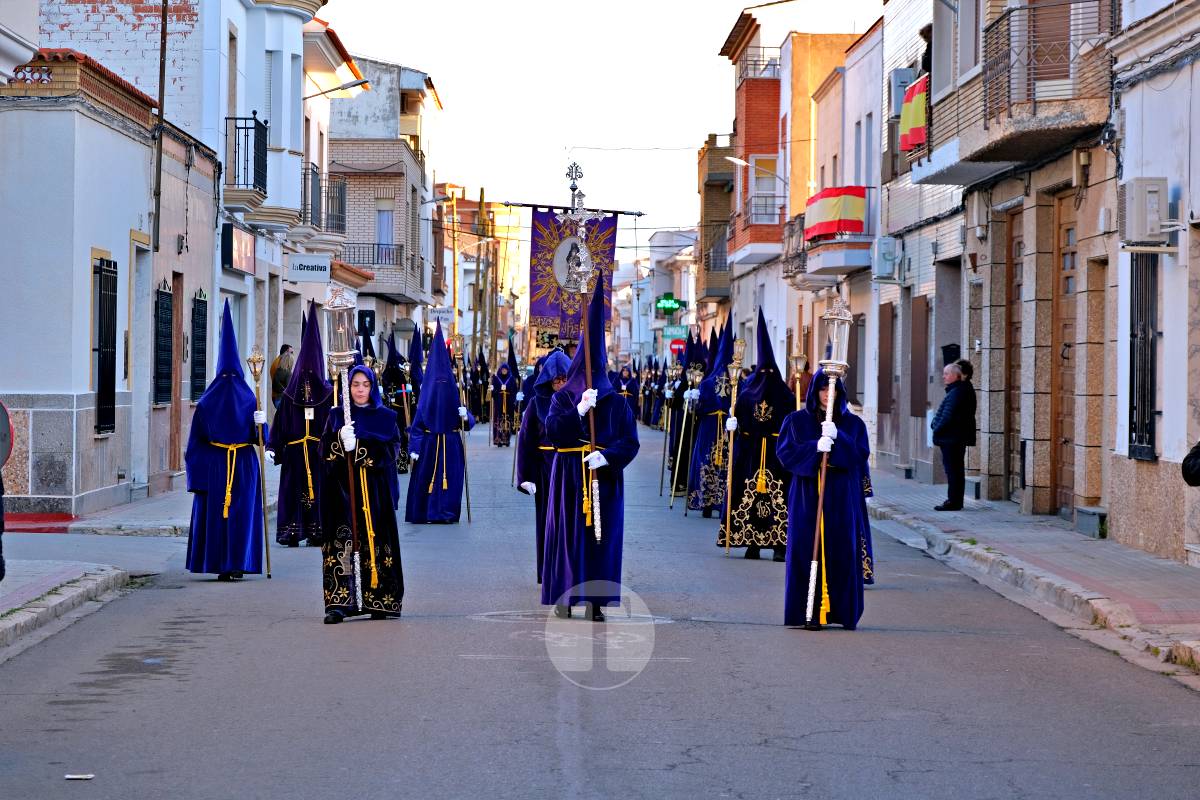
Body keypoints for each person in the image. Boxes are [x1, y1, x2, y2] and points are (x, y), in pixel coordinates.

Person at [542, 280, 640, 621]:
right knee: (569, 539)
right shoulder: (563, 398)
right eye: (587, 372)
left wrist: (608, 456)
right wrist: (578, 412)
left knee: (601, 539)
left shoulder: (616, 403)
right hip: (569, 475)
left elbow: (630, 442)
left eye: (597, 372)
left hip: (604, 478)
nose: (592, 379)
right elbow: (554, 434)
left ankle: (597, 602)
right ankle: (565, 596)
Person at [777, 369, 871, 629]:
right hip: (808, 492)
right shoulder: (796, 421)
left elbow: (860, 456)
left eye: (834, 390)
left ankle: (839, 610)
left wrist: (840, 439)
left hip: (840, 492)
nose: (829, 394)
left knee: (840, 547)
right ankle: (808, 612)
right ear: (814, 391)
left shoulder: (853, 424)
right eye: (823, 389)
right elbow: (785, 453)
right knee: (806, 547)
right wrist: (813, 448)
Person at [185, 301, 265, 581]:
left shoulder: (209, 400)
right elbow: (261, 439)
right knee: (238, 515)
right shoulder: (247, 395)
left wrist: (260, 423)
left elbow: (194, 445)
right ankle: (236, 563)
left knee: (228, 516)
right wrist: (260, 426)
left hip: (222, 464)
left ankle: (226, 563)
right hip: (238, 464)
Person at [320, 364, 405, 624]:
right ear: (348, 388)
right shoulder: (337, 416)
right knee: (342, 543)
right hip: (342, 492)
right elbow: (323, 452)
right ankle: (340, 603)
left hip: (374, 492)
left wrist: (359, 448)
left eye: (365, 385)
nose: (360, 390)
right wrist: (337, 439)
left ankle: (378, 599)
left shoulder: (386, 417)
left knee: (376, 542)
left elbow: (392, 451)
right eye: (355, 385)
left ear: (372, 387)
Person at [720, 311, 791, 561]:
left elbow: (792, 423)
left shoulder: (782, 394)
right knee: (748, 495)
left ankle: (778, 544)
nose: (766, 378)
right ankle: (751, 542)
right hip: (752, 452)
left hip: (775, 453)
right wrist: (732, 422)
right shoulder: (750, 393)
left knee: (777, 496)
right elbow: (736, 423)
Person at [267, 299, 330, 547]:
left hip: (318, 454)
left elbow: (333, 426)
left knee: (319, 492)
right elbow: (281, 422)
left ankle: (316, 532)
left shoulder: (327, 393)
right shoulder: (291, 395)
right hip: (294, 453)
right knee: (294, 492)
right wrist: (273, 446)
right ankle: (293, 532)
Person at [405, 323, 476, 523]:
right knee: (426, 480)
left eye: (444, 382)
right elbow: (418, 426)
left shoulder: (455, 394)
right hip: (429, 444)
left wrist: (465, 415)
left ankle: (447, 512)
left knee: (451, 480)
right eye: (437, 383)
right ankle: (428, 512)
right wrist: (415, 447)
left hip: (452, 443)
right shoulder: (425, 400)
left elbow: (468, 424)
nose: (440, 386)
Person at [516, 349, 571, 584]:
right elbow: (526, 441)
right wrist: (524, 476)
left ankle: (571, 570)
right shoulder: (535, 404)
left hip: (572, 468)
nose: (560, 384)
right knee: (547, 522)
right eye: (556, 380)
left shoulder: (580, 400)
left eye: (564, 379)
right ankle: (547, 569)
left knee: (571, 522)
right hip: (545, 469)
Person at [688, 324, 733, 516]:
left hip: (713, 427)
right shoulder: (736, 383)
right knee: (715, 462)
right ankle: (715, 503)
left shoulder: (709, 383)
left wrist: (693, 401)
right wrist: (693, 398)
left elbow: (694, 412)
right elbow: (695, 410)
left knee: (715, 462)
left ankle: (709, 503)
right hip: (718, 427)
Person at [931, 361, 976, 511]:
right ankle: (954, 501)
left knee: (953, 471)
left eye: (946, 374)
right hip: (954, 437)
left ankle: (954, 502)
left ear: (957, 376)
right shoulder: (957, 390)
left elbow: (947, 416)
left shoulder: (958, 392)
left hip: (952, 438)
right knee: (955, 470)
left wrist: (935, 428)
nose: (943, 377)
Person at [490, 359, 518, 447]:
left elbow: (514, 390)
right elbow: (493, 391)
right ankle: (498, 439)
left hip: (508, 402)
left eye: (505, 370)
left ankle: (506, 439)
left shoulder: (512, 379)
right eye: (503, 370)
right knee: (498, 419)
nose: (504, 371)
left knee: (507, 420)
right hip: (499, 402)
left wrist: (512, 398)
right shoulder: (496, 378)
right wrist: (493, 390)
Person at [269, 344, 293, 409]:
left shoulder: (279, 363)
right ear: (286, 353)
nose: (292, 355)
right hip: (279, 397)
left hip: (278, 396)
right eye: (291, 352)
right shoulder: (279, 364)